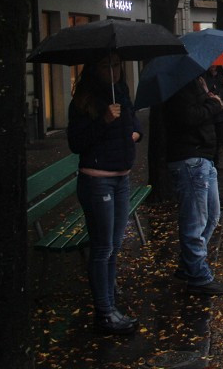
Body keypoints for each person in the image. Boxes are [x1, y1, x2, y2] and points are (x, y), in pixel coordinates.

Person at [66, 52, 143, 335]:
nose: (113, 71)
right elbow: (77, 142)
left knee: (114, 244)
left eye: (116, 65)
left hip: (121, 178)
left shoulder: (121, 93)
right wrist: (104, 121)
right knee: (102, 247)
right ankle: (104, 311)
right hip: (98, 181)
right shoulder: (84, 102)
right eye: (106, 66)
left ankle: (109, 299)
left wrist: (135, 133)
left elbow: (134, 123)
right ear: (94, 70)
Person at [164, 72, 223, 295]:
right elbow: (189, 117)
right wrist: (213, 103)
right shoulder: (179, 84)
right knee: (196, 221)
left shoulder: (196, 80)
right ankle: (198, 276)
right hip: (190, 158)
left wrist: (210, 97)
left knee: (212, 216)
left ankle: (188, 265)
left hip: (203, 157)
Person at [205, 64, 223, 147]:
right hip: (210, 109)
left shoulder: (221, 78)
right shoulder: (204, 78)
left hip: (221, 110)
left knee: (219, 133)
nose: (212, 66)